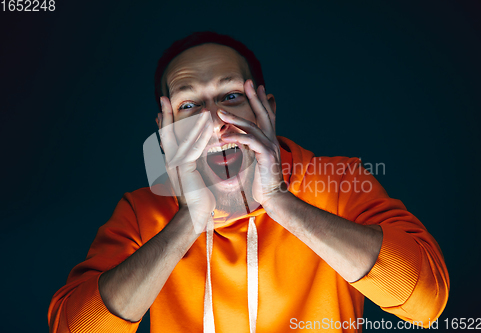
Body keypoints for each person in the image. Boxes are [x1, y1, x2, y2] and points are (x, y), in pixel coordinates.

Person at [48, 31, 449, 333]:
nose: (214, 120)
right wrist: (189, 218)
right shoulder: (142, 211)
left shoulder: (339, 181)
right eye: (189, 105)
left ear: (266, 110)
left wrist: (279, 201)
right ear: (166, 132)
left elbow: (426, 302)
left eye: (230, 97)